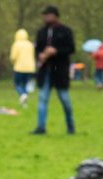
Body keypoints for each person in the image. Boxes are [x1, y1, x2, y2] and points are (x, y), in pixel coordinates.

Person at [31, 6, 75, 135]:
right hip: (45, 71)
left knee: (64, 99)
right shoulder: (41, 32)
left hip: (60, 70)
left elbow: (71, 48)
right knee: (42, 98)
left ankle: (70, 126)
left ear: (55, 16)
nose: (46, 18)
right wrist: (39, 55)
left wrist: (56, 51)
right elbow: (37, 48)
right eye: (45, 16)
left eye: (48, 15)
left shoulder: (65, 31)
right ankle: (41, 127)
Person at [10, 28, 36, 104]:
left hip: (19, 68)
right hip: (30, 68)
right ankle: (24, 102)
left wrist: (13, 63)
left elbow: (13, 57)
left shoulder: (16, 44)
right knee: (25, 84)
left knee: (17, 84)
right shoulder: (30, 44)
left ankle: (22, 94)